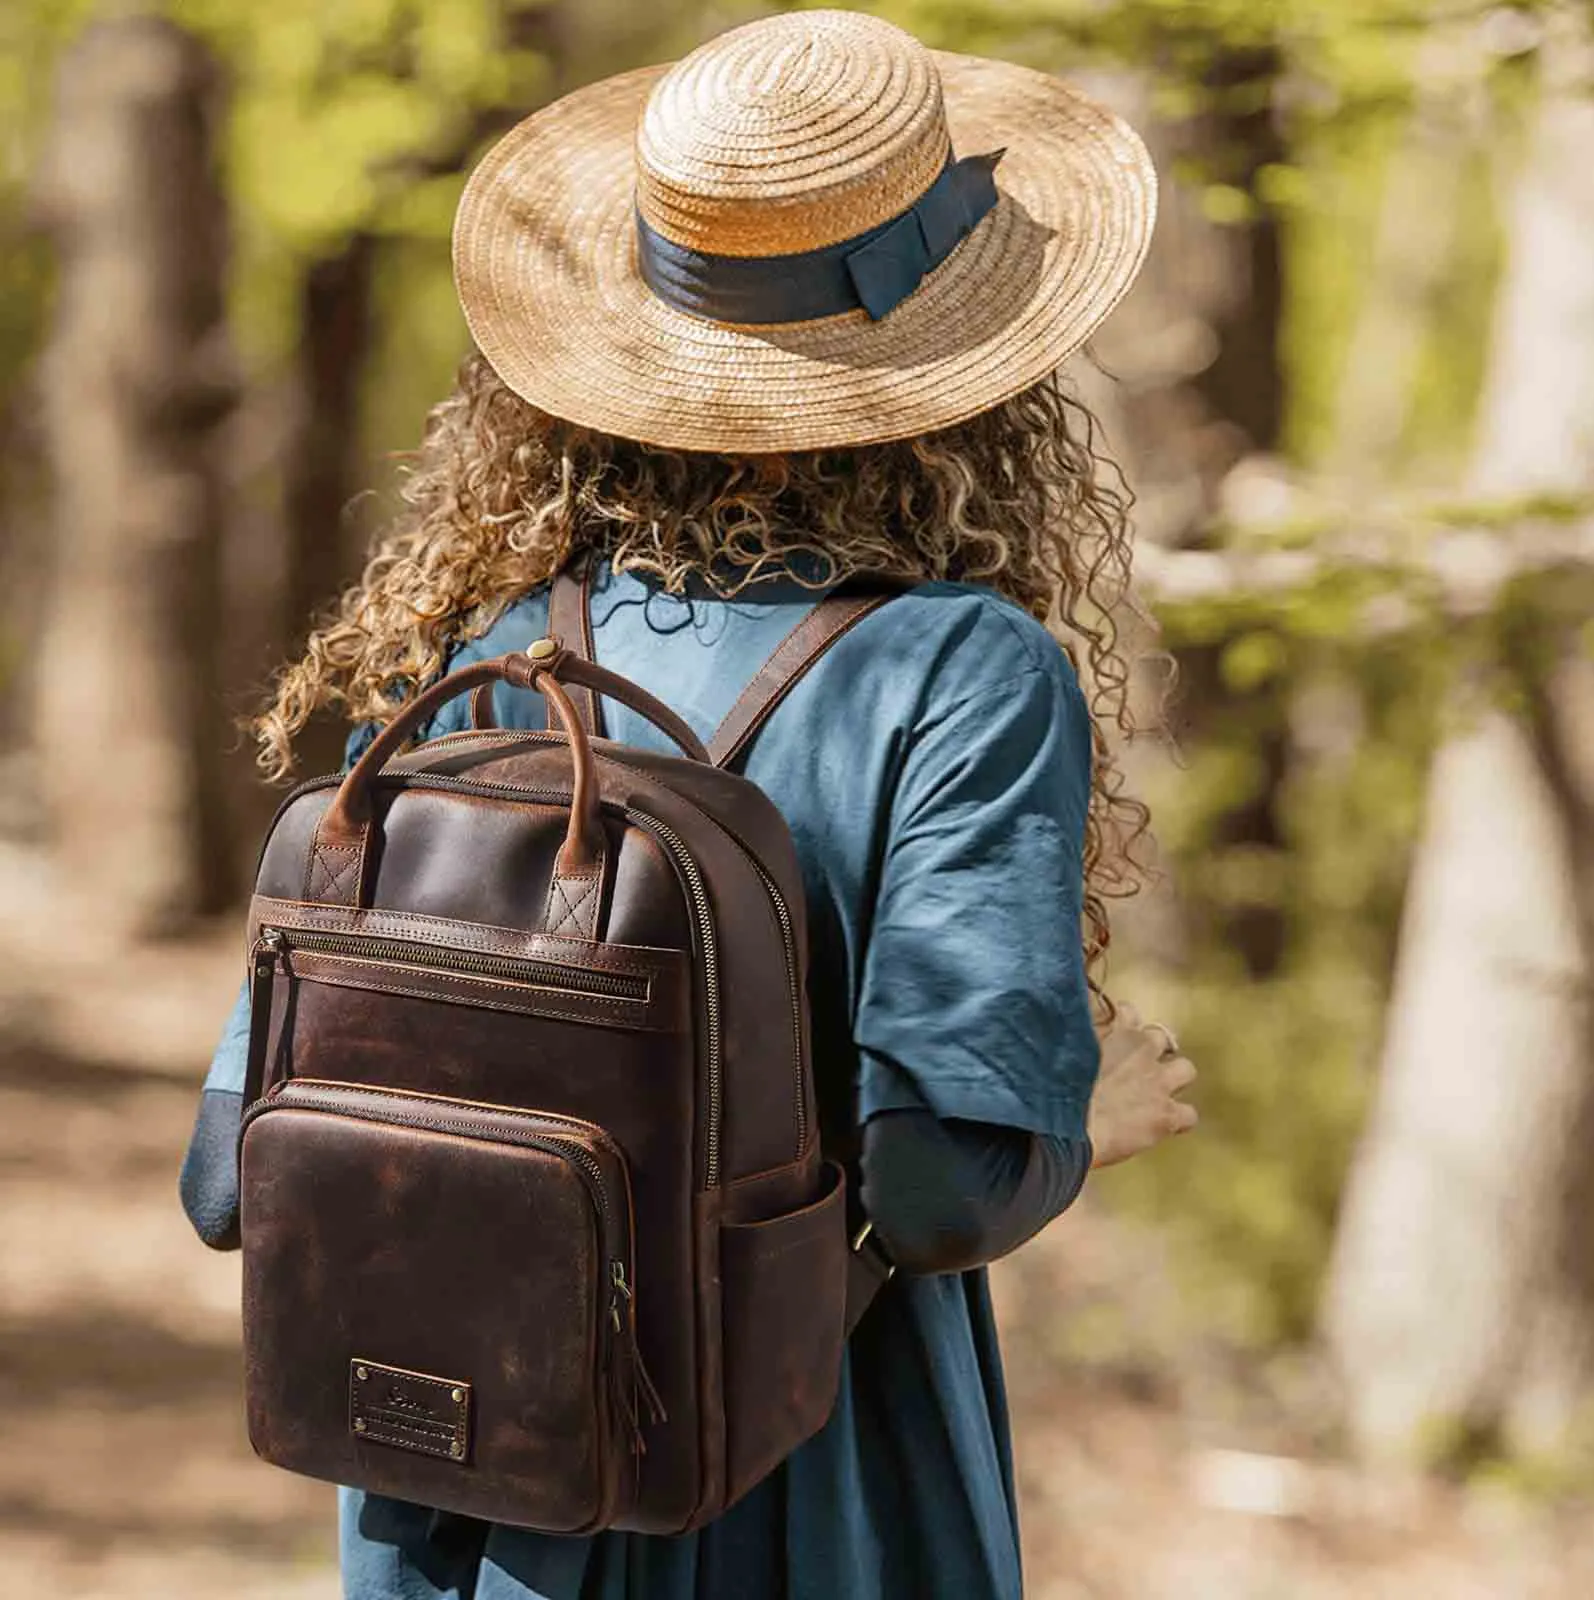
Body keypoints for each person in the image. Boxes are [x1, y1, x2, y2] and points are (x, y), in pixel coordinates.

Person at [181, 10, 1198, 1597]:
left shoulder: (477, 646)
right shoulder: (958, 672)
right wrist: (1081, 1130)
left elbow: (234, 1178)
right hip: (772, 1475)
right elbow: (936, 1182)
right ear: (969, 384)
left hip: (446, 1492)